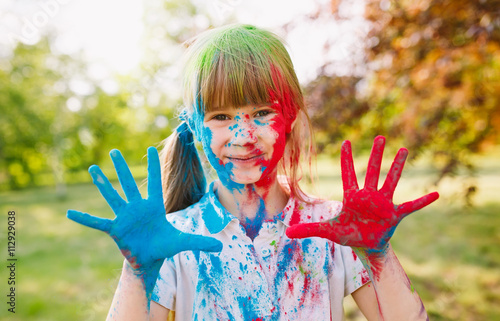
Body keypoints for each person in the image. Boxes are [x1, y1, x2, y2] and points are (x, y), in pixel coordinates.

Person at [67, 24, 439, 320]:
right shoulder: (174, 238)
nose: (243, 137)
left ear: (290, 116)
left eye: (262, 113)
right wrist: (137, 273)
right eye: (222, 117)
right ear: (195, 127)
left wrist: (378, 255)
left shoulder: (333, 228)